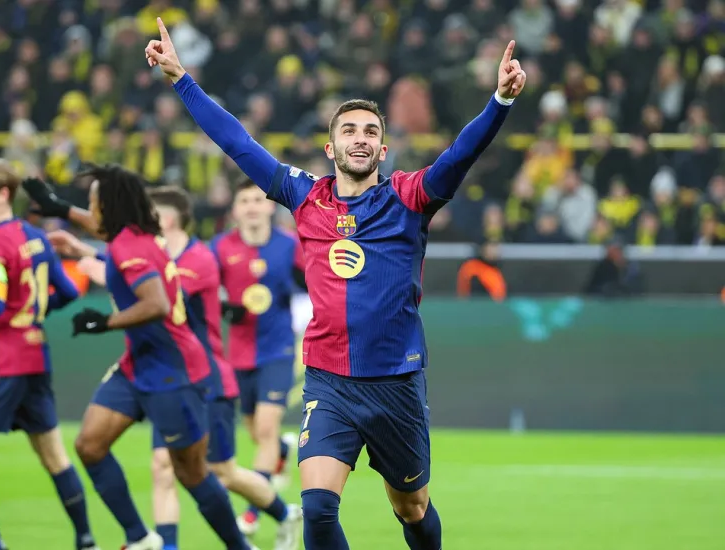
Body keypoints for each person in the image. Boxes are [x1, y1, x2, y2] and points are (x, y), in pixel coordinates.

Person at [146, 17, 526, 549]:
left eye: (370, 132)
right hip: (330, 380)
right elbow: (237, 142)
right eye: (349, 131)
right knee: (319, 508)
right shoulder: (305, 197)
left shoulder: (410, 197)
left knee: (412, 507)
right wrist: (181, 79)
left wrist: (500, 102)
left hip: (396, 380)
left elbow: (460, 154)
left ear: (383, 149)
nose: (360, 139)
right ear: (331, 148)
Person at [56, 185, 304, 550]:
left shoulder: (199, 258)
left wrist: (98, 267)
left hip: (211, 375)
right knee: (163, 466)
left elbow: (157, 292)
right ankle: (165, 544)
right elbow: (130, 263)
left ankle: (279, 514)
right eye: (244, 201)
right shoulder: (208, 249)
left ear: (166, 220)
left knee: (223, 470)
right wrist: (85, 250)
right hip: (172, 376)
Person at [22, 165, 255, 550]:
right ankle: (140, 538)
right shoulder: (130, 234)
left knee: (191, 473)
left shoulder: (130, 248)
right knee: (90, 445)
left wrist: (105, 322)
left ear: (109, 205)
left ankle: (240, 547)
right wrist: (59, 207)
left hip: (174, 371)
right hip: (138, 364)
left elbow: (156, 304)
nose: (90, 209)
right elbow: (100, 229)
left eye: (93, 202)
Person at [0, 157, 98, 550]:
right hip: (35, 357)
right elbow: (67, 292)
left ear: (2, 194)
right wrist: (33, 313)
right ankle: (86, 540)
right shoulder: (35, 237)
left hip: (0, 360)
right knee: (54, 456)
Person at [210, 179, 306, 536]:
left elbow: (314, 280)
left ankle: (254, 512)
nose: (251, 206)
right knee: (255, 431)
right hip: (237, 354)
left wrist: (304, 282)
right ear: (235, 210)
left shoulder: (289, 244)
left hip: (278, 350)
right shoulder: (220, 247)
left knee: (265, 429)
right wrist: (224, 307)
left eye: (257, 199)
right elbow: (206, 290)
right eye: (244, 201)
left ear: (269, 206)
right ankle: (280, 451)